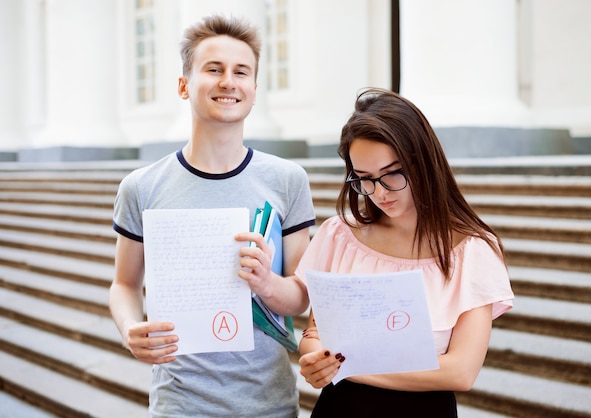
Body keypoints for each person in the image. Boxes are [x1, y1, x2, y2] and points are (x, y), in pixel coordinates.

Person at [109, 15, 315, 417]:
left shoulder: (288, 180)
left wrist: (266, 282)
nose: (228, 82)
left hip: (268, 403)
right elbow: (124, 284)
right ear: (184, 86)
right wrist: (130, 329)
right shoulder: (142, 187)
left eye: (241, 72)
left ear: (254, 89)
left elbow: (302, 294)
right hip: (179, 403)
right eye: (214, 69)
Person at [297, 88, 514, 417]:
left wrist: (346, 365)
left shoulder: (472, 251)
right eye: (365, 179)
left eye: (391, 173)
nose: (379, 192)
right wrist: (315, 361)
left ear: (422, 161)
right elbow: (314, 334)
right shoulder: (340, 236)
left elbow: (460, 371)